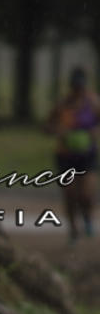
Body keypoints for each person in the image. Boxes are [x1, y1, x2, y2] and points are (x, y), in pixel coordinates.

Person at [46, 66, 100, 241]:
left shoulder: (93, 103)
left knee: (86, 193)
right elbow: (47, 126)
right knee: (69, 194)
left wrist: (94, 132)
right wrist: (58, 131)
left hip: (87, 155)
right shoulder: (62, 105)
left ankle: (87, 219)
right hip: (65, 155)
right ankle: (73, 229)